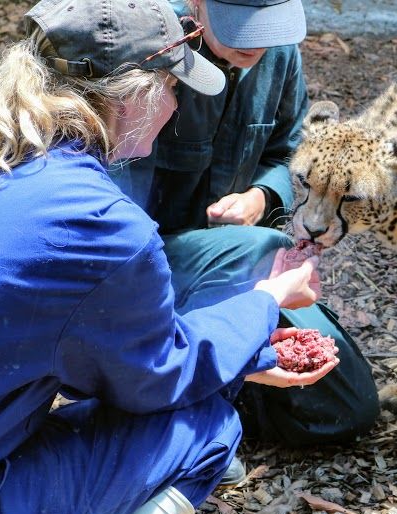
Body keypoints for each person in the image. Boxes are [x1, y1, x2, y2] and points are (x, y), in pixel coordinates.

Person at [0, 0, 336, 514]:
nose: (179, 104)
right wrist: (266, 302)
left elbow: (87, 361)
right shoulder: (99, 222)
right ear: (133, 96)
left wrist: (246, 348)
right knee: (208, 428)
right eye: (173, 87)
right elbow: (157, 380)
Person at [109, 0, 379, 459]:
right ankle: (186, 414)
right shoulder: (152, 48)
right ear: (196, 4)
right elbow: (118, 209)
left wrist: (261, 197)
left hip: (240, 263)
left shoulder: (280, 55)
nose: (256, 42)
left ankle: (225, 391)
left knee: (348, 407)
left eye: (268, 26)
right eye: (239, 26)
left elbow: (286, 152)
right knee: (264, 244)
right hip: (147, 269)